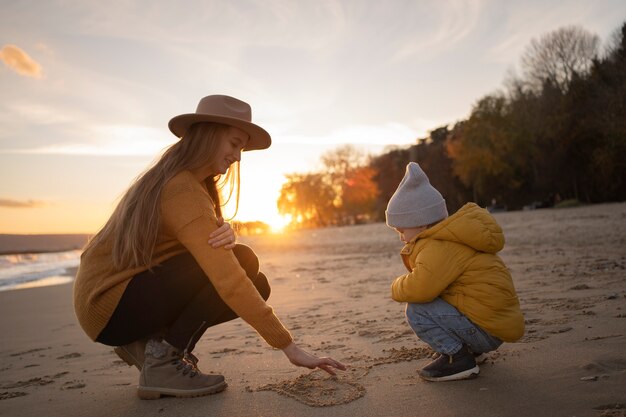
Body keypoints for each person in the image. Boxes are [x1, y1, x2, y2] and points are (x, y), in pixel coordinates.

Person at [73, 94, 346, 400]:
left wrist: (224, 233)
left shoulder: (179, 180)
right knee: (242, 263)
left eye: (241, 148)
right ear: (208, 136)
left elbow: (185, 245)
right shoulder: (182, 190)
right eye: (233, 144)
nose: (238, 157)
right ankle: (162, 360)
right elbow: (227, 277)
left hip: (103, 303)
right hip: (110, 305)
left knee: (256, 279)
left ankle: (144, 347)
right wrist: (288, 346)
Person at [384, 162, 524, 382]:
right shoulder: (453, 237)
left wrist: (396, 286)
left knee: (417, 310)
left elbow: (421, 288)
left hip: (485, 329)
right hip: (492, 323)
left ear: (421, 223)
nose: (401, 237)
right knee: (443, 293)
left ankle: (457, 359)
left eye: (402, 230)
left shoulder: (438, 246)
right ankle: (470, 350)